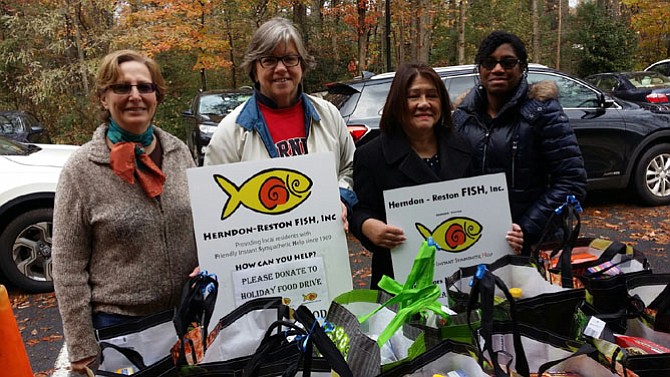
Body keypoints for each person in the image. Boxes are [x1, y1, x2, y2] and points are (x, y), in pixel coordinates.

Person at [52, 50, 199, 373]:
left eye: (144, 87)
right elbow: (66, 267)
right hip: (121, 328)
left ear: (156, 96)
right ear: (104, 98)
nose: (135, 96)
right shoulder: (80, 170)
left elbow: (200, 225)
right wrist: (81, 347)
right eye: (121, 88)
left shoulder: (178, 152)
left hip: (186, 318)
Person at [350, 62, 524, 290]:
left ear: (442, 102)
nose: (424, 104)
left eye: (431, 95)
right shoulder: (371, 155)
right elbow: (360, 209)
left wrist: (507, 233)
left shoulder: (464, 146)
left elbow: (485, 206)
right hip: (401, 283)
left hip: (463, 282)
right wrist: (367, 226)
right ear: (397, 103)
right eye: (414, 96)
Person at [204, 17, 357, 230]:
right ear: (254, 70)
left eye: (289, 58)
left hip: (323, 243)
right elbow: (215, 199)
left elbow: (350, 166)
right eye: (269, 60)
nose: (281, 68)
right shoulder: (232, 130)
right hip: (263, 252)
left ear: (301, 65)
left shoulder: (328, 115)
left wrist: (341, 198)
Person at [452, 30, 587, 255]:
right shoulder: (462, 116)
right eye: (489, 62)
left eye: (508, 62)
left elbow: (572, 182)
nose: (498, 69)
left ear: (522, 67)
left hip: (535, 244)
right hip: (475, 242)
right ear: (480, 69)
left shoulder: (543, 112)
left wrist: (526, 229)